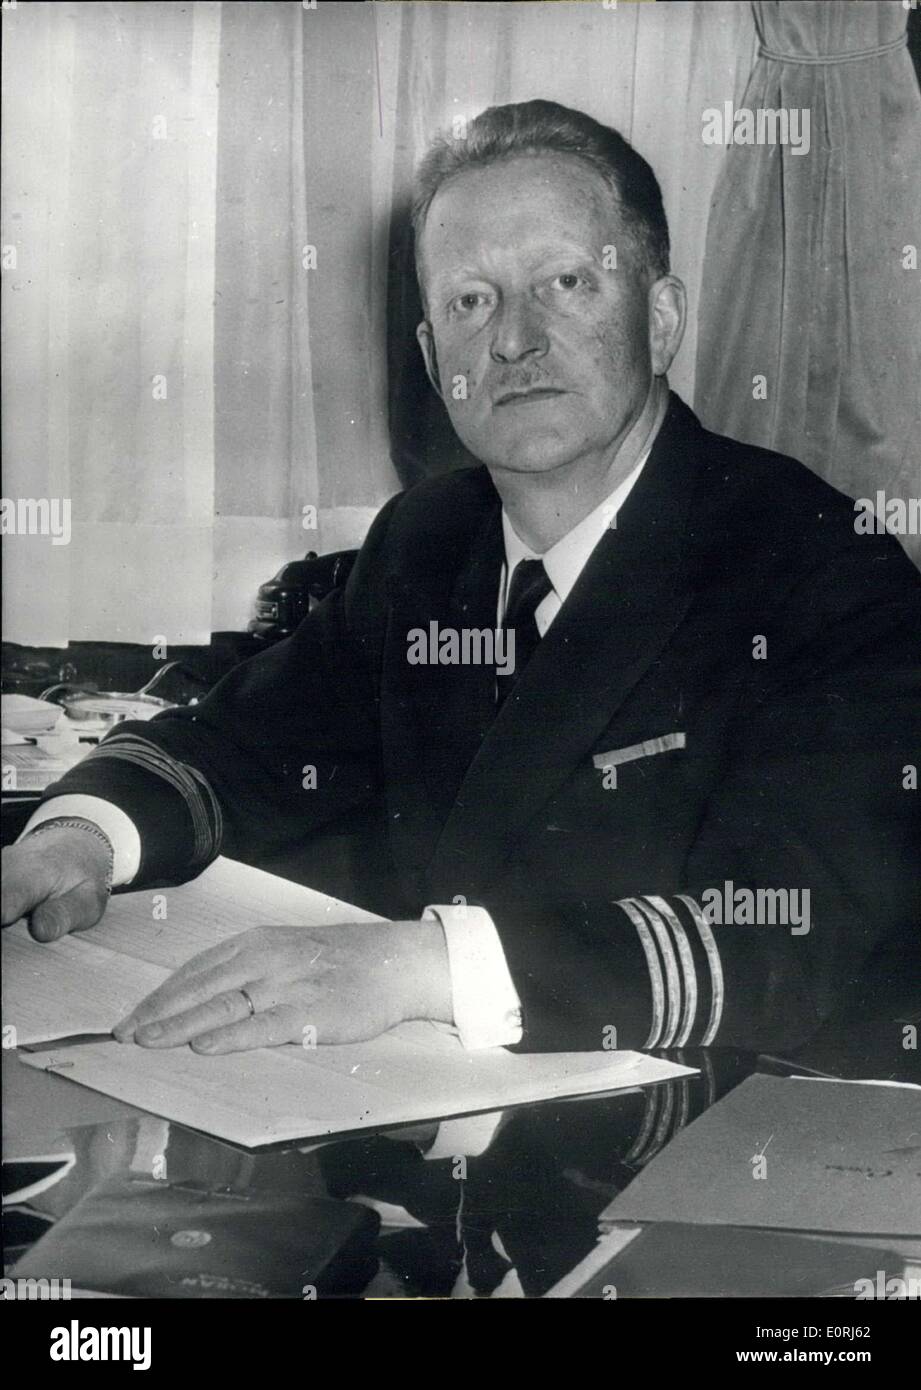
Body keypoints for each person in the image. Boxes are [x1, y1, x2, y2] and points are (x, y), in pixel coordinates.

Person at [3, 101, 919, 1060]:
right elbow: (248, 744)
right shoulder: (429, 541)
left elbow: (786, 931)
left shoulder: (818, 566)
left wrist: (414, 970)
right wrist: (81, 840)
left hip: (720, 1146)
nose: (514, 340)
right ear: (437, 361)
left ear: (660, 317)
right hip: (456, 1124)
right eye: (469, 302)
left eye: (565, 283)